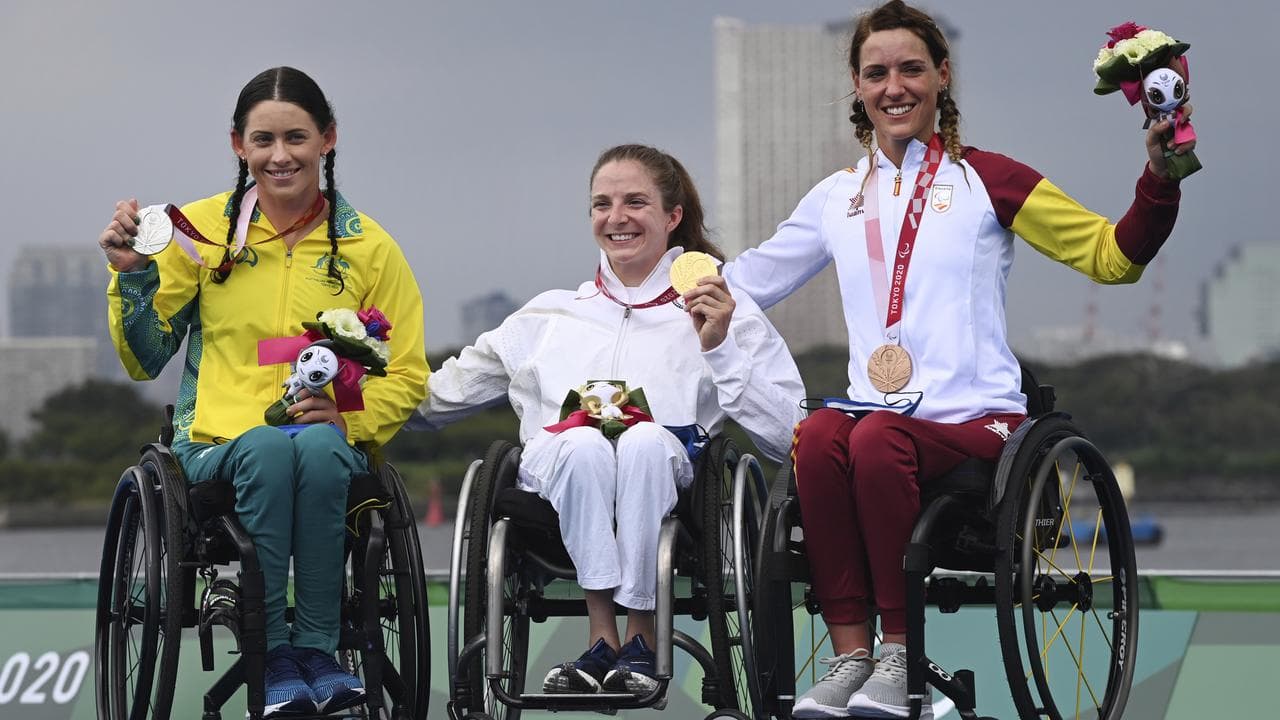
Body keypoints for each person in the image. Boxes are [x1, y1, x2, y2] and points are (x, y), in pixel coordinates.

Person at [721, 2, 1194, 718]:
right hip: (879, 418)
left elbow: (1112, 257)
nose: (894, 86)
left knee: (877, 438)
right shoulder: (835, 197)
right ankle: (851, 653)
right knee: (818, 436)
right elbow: (741, 283)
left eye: (912, 68)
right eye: (877, 72)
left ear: (942, 76)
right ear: (857, 85)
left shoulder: (989, 180)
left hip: (982, 427)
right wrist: (658, 275)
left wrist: (1159, 177)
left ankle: (899, 654)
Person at [98, 67, 427, 718]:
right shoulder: (194, 233)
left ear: (328, 139)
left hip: (324, 446)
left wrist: (350, 418)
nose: (281, 155)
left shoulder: (369, 248)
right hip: (219, 445)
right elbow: (145, 358)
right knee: (274, 452)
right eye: (264, 139)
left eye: (297, 137)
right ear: (238, 145)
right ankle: (274, 654)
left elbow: (406, 372)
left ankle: (319, 654)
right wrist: (132, 278)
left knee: (328, 450)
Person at [421, 144, 805, 701]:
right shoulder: (547, 315)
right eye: (602, 203)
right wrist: (351, 405)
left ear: (672, 218)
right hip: (556, 480)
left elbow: (787, 434)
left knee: (646, 441)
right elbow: (436, 399)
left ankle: (640, 637)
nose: (616, 217)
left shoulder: (723, 308)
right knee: (582, 444)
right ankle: (603, 637)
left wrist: (719, 349)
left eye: (635, 202)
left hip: (669, 479)